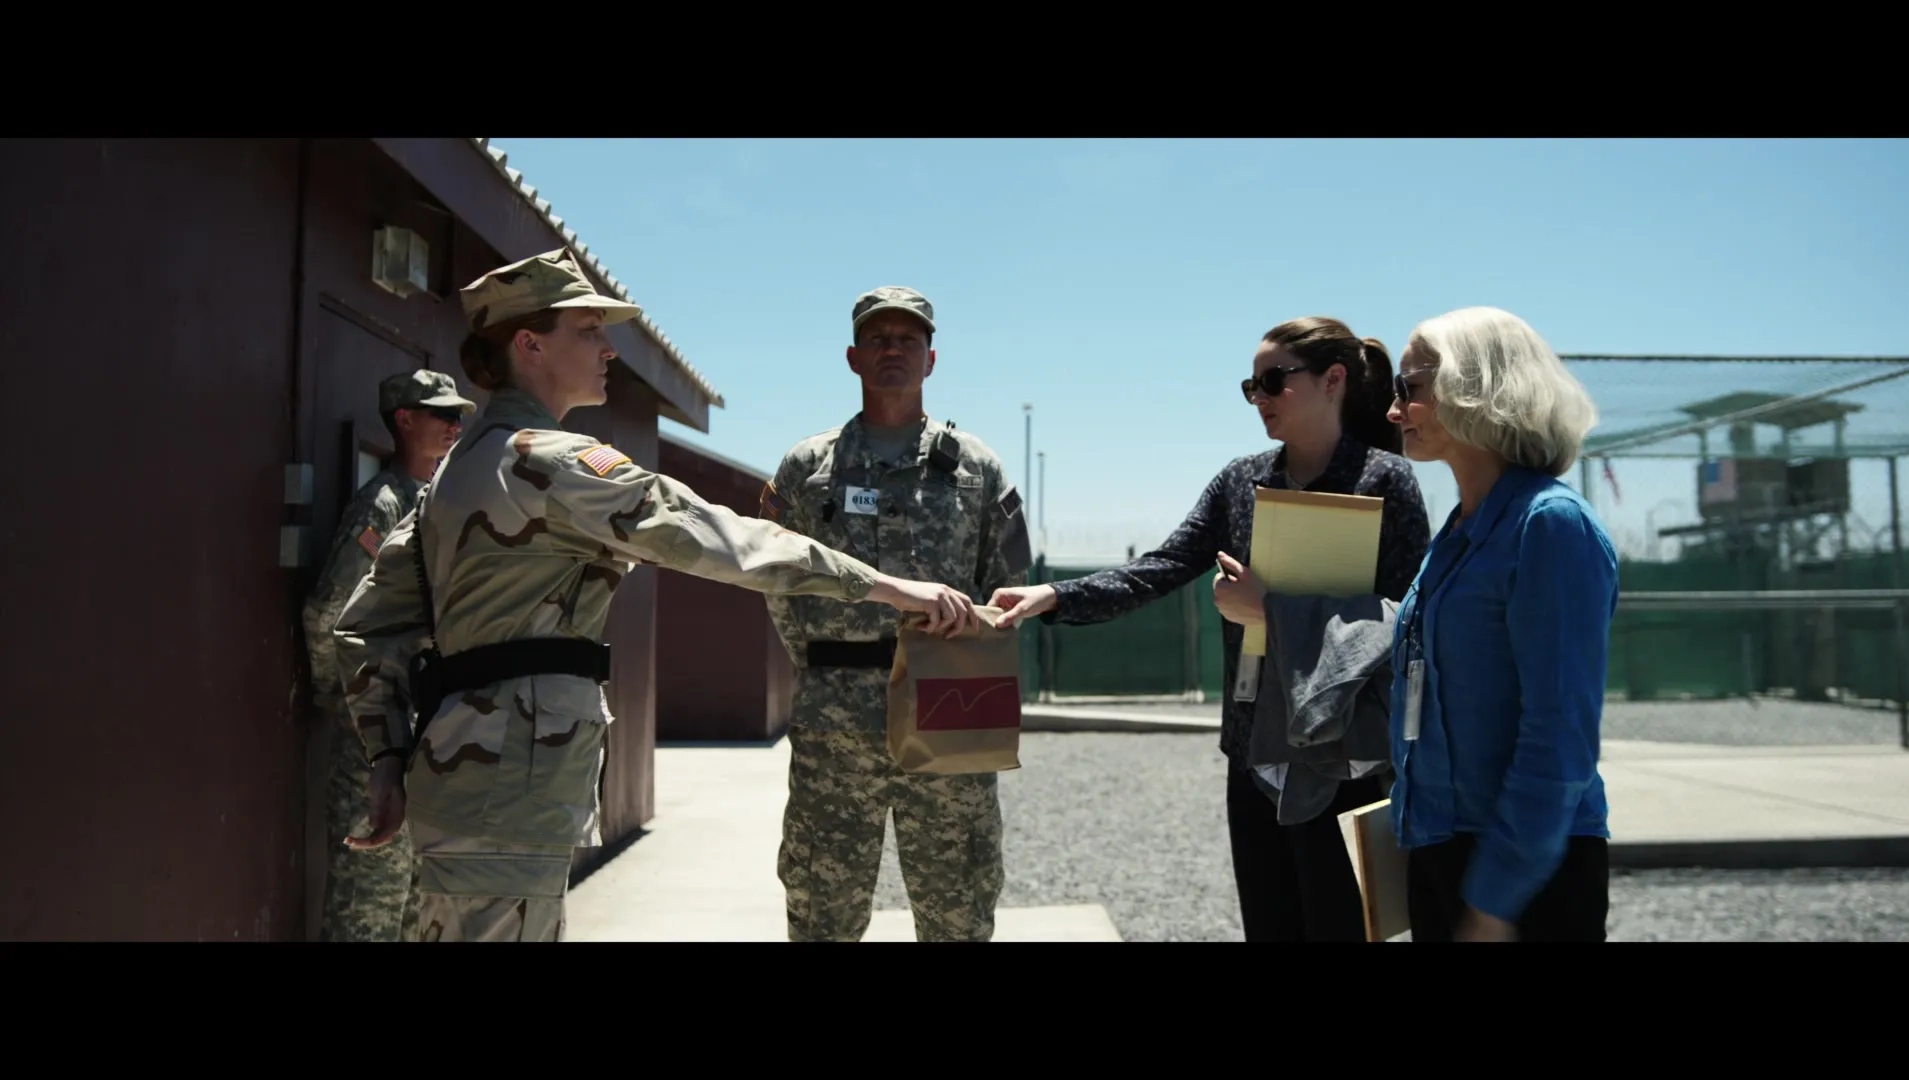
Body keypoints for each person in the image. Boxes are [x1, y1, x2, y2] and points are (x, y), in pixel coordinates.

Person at [330, 249, 978, 942]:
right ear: (530, 344)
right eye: (588, 330)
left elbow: (367, 625)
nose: (608, 348)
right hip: (508, 789)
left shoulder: (455, 471)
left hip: (464, 778)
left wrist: (389, 757)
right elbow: (719, 536)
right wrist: (884, 586)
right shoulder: (547, 461)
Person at [991, 317, 1429, 942]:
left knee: (1338, 927)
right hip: (1253, 754)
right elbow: (1164, 566)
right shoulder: (1239, 483)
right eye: (1252, 387)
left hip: (1342, 753)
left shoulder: (1386, 482)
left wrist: (1269, 610)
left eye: (1274, 381)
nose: (1262, 399)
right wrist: (1055, 595)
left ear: (1333, 380)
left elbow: (1408, 618)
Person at [759, 285, 1031, 943]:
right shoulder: (805, 468)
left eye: (908, 339)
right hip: (836, 719)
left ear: (931, 360)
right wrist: (831, 662)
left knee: (957, 905)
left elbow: (1009, 585)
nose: (893, 350)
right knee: (823, 905)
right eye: (878, 338)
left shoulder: (977, 469)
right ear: (853, 357)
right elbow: (777, 583)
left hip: (949, 711)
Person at [1383, 305, 1616, 943]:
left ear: (1475, 387)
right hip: (1445, 850)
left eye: (1410, 388)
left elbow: (1561, 735)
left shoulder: (1550, 525)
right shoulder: (1459, 529)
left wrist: (1496, 898)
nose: (1393, 410)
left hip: (1522, 874)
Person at [300, 368, 473, 941]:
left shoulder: (437, 505)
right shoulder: (383, 506)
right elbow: (327, 613)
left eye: (459, 416)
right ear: (405, 419)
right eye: (442, 415)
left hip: (431, 742)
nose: (455, 425)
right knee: (367, 915)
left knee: (417, 918)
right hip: (378, 746)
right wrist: (346, 703)